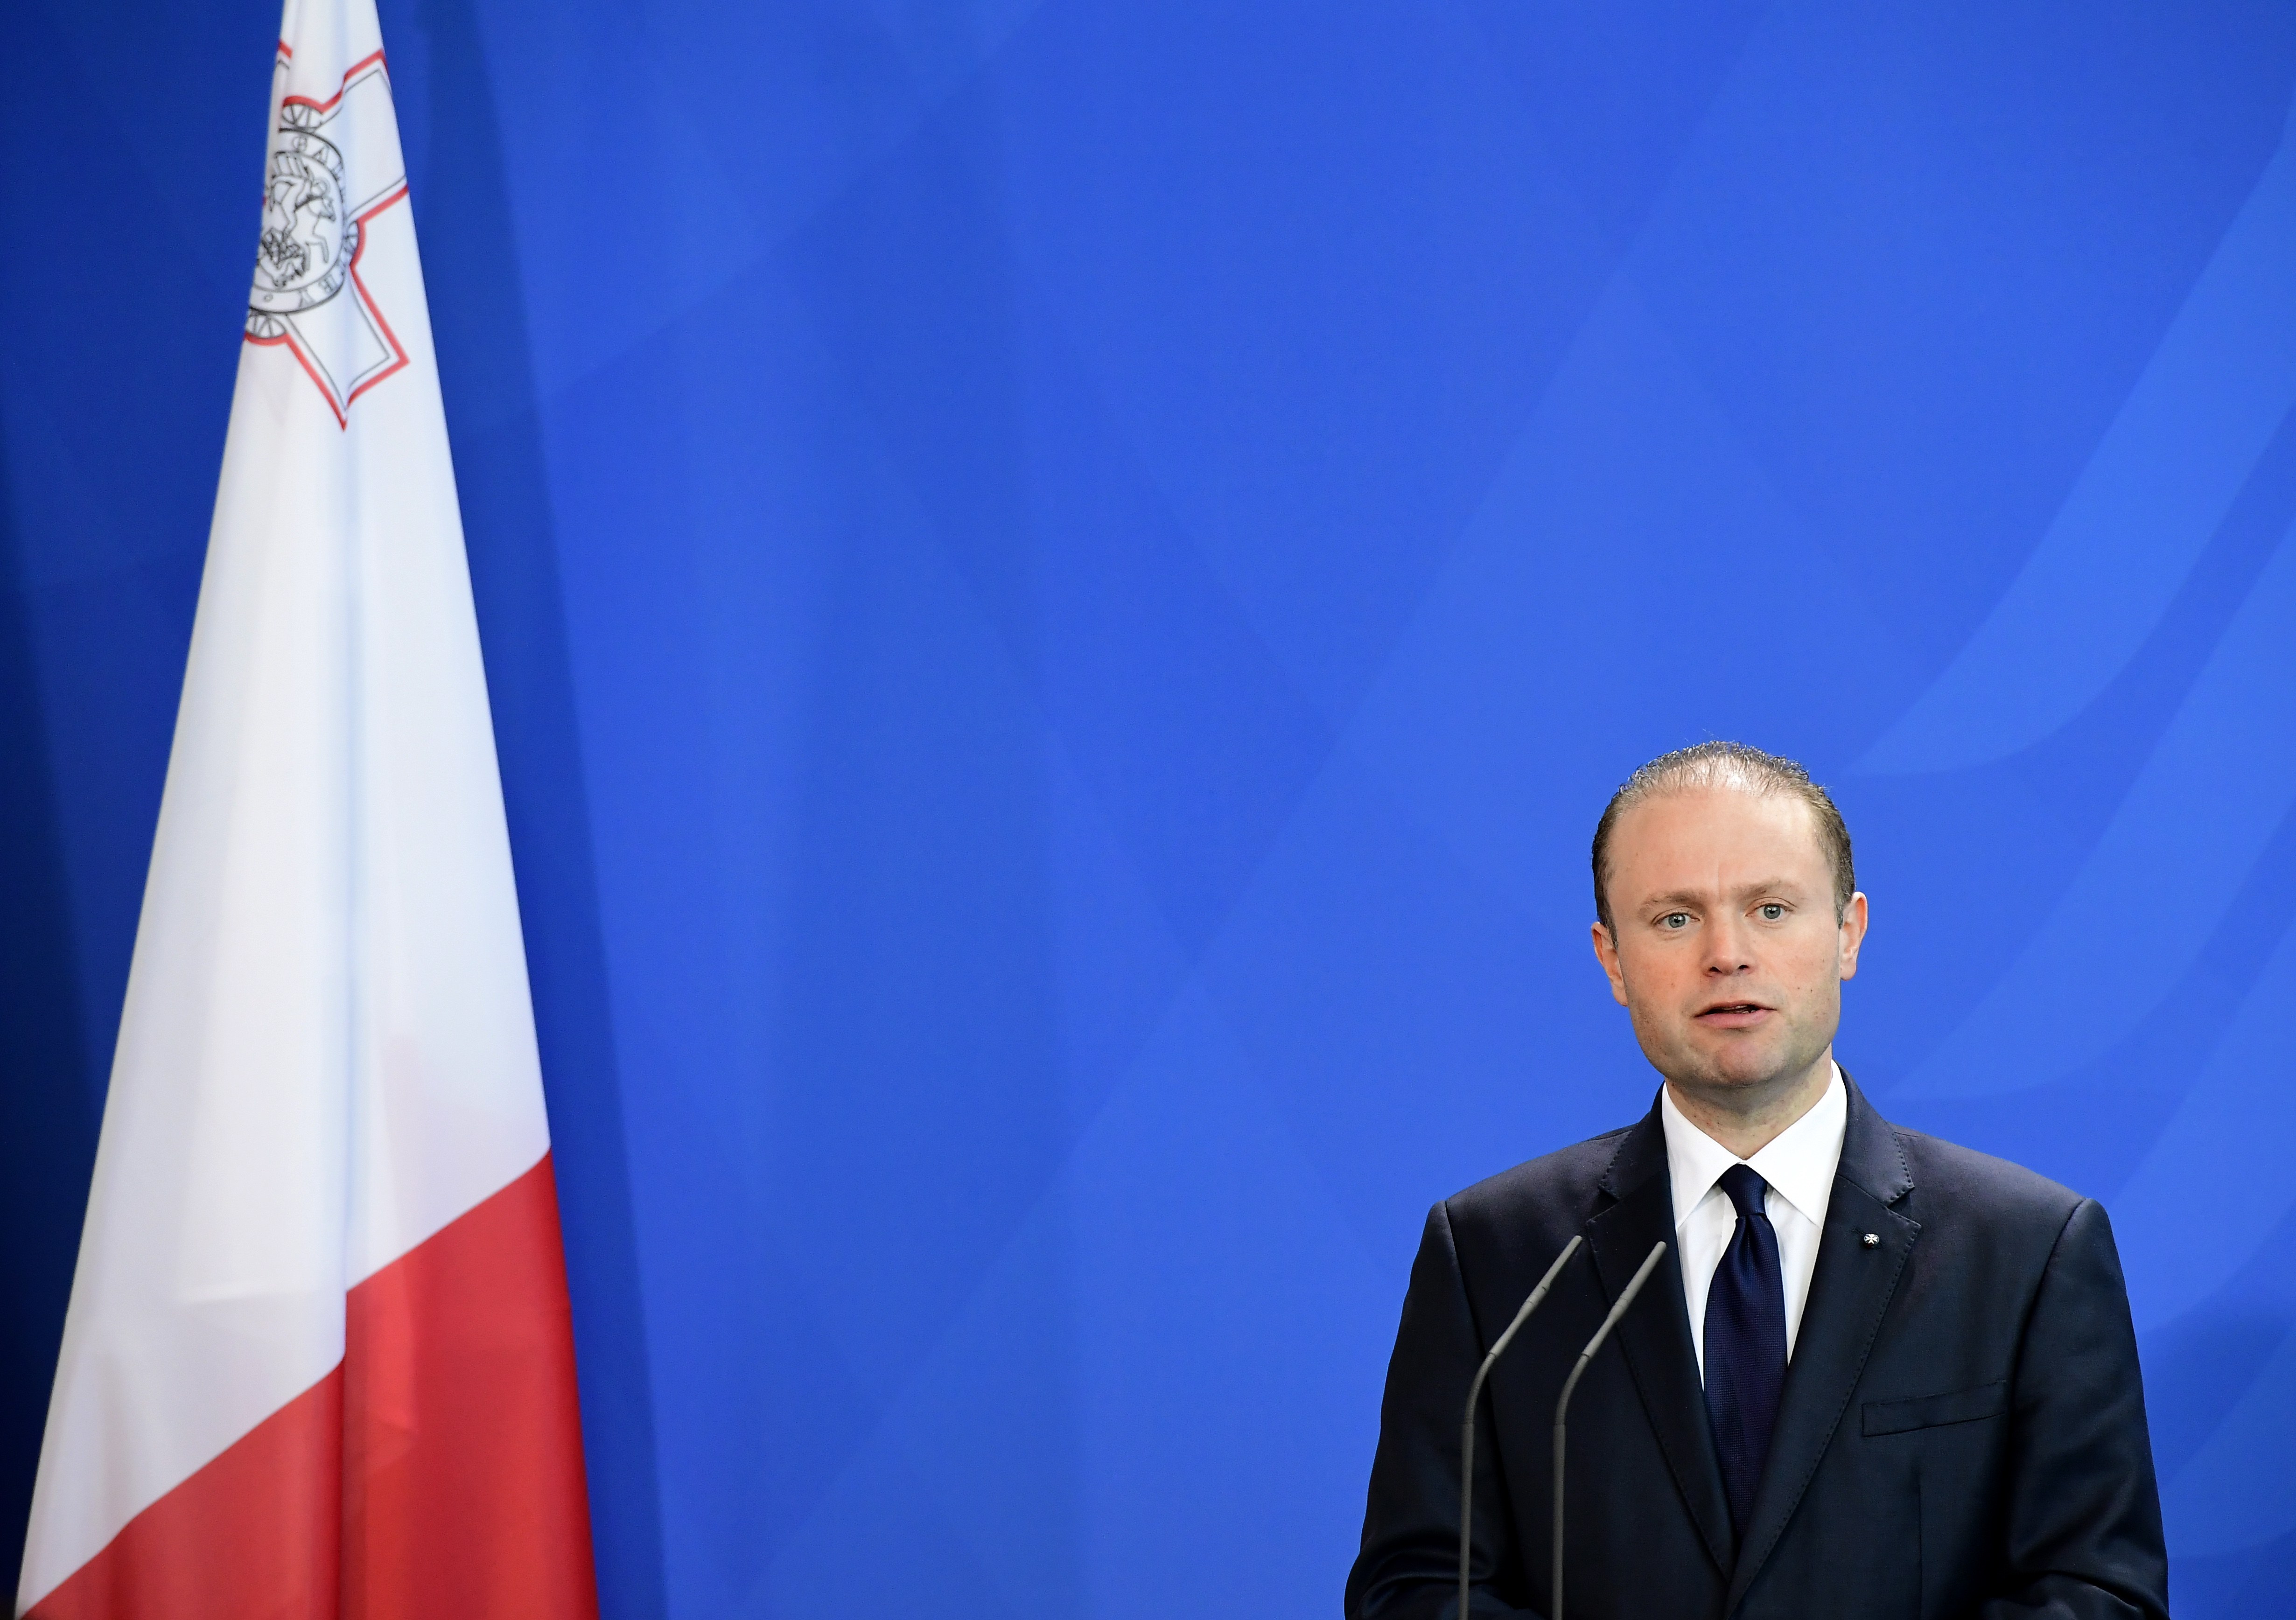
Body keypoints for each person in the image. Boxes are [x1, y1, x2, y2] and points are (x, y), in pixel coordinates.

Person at [1345, 742, 2168, 1620]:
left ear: (1848, 933)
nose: (1727, 954)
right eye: (1673, 920)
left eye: (1771, 909)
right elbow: (1419, 1589)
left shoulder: (2030, 1251)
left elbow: (2098, 1594)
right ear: (1612, 959)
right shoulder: (1494, 1254)